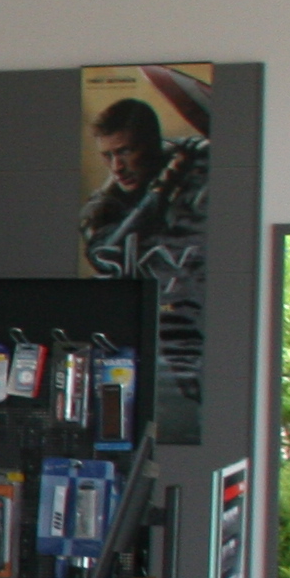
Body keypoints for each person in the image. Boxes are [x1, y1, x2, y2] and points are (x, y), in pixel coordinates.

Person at [80, 93, 209, 426]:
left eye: (125, 151)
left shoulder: (197, 169)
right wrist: (160, 190)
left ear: (152, 143)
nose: (117, 167)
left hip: (196, 324)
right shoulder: (103, 207)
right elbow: (103, 252)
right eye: (108, 155)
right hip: (139, 336)